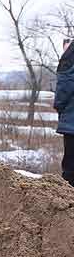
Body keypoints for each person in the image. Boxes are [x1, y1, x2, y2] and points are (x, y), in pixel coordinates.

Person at [55, 38, 74, 186]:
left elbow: (64, 86)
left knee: (70, 168)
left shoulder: (69, 59)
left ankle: (67, 204)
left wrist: (59, 107)